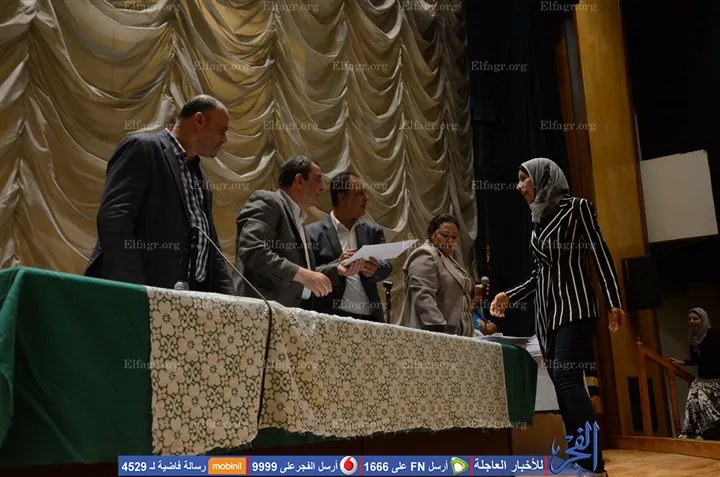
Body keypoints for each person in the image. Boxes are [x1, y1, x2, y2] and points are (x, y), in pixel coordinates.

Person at [490, 157, 626, 477]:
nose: (519, 186)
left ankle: (594, 464)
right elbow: (540, 274)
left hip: (575, 309)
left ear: (542, 178)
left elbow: (600, 253)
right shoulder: (537, 220)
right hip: (547, 317)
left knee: (568, 381)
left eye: (524, 178)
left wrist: (614, 301)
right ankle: (583, 461)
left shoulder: (577, 208)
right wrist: (510, 295)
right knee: (564, 389)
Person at [86, 95, 234, 294]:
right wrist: (135, 289)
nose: (224, 139)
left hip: (187, 299)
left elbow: (210, 243)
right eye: (221, 131)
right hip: (137, 293)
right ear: (199, 120)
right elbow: (115, 218)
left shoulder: (201, 178)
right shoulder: (142, 148)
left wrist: (232, 300)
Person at [233, 155, 361, 308]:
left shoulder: (299, 220)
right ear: (299, 181)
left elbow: (305, 274)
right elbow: (253, 251)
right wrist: (303, 274)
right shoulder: (268, 201)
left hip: (288, 312)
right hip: (258, 309)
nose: (322, 187)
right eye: (317, 179)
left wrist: (336, 269)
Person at [305, 172, 392, 322]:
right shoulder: (312, 233)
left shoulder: (373, 231)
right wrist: (337, 267)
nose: (366, 198)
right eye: (359, 193)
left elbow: (387, 267)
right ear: (342, 198)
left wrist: (375, 269)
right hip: (330, 318)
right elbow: (307, 273)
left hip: (371, 319)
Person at [397, 214, 487, 337]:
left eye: (454, 237)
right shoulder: (425, 255)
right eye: (444, 235)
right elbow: (424, 297)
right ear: (432, 234)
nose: (450, 241)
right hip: (434, 337)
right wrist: (442, 332)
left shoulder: (448, 259)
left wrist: (473, 291)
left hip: (461, 337)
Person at [669, 307, 720, 439]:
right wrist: (682, 362)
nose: (692, 321)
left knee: (711, 407)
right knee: (693, 401)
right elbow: (696, 359)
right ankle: (694, 434)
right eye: (690, 319)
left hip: (716, 379)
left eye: (695, 319)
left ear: (703, 320)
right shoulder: (694, 338)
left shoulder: (714, 334)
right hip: (703, 379)